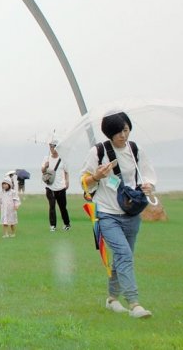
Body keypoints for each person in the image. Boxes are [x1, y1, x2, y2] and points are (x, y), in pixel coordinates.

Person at [80, 111, 157, 319]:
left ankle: (112, 299)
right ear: (108, 133)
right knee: (124, 255)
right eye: (117, 132)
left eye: (125, 129)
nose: (123, 135)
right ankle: (134, 304)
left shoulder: (135, 149)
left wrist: (149, 186)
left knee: (123, 257)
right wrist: (97, 175)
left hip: (131, 213)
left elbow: (147, 174)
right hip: (106, 213)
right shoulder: (98, 151)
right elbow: (84, 181)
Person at [42, 139, 71, 231]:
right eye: (50, 146)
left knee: (63, 207)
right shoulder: (46, 158)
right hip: (50, 186)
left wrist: (67, 181)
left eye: (54, 146)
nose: (52, 148)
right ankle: (53, 225)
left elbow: (66, 172)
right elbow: (42, 171)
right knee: (52, 206)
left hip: (61, 187)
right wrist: (45, 167)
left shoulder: (63, 159)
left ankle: (67, 224)